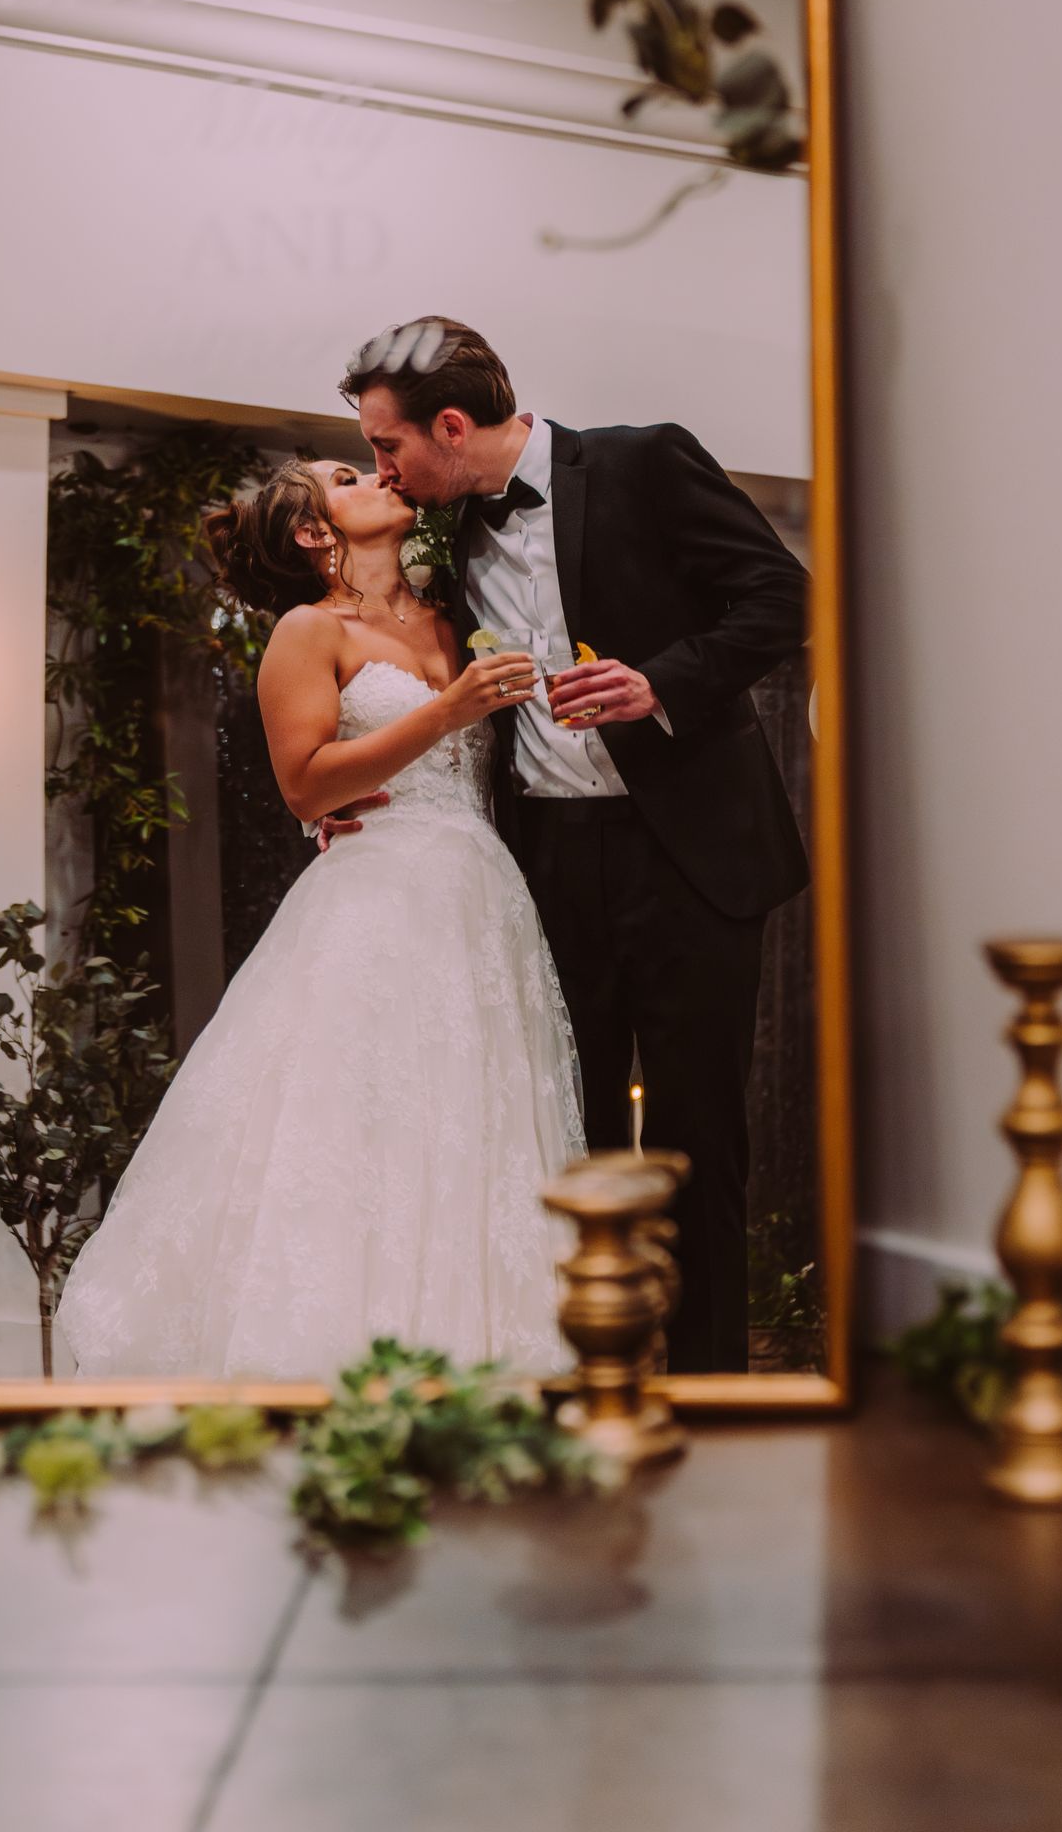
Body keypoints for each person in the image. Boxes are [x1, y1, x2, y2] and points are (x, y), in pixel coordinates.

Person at [340, 317, 809, 1372]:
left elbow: (784, 597)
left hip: (688, 857)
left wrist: (663, 682)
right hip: (548, 863)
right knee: (566, 1131)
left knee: (697, 1146)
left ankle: (705, 1395)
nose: (383, 468)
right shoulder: (442, 534)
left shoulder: (647, 462)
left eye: (388, 446)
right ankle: (596, 1373)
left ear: (450, 426)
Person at [55, 457, 583, 1381]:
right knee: (367, 1124)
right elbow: (305, 784)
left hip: (482, 900)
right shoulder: (308, 631)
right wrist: (450, 708)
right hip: (378, 904)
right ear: (313, 532)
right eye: (346, 476)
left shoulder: (451, 614)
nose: (377, 475)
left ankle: (478, 1354)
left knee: (477, 1124)